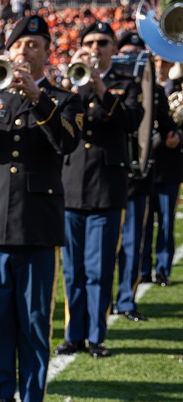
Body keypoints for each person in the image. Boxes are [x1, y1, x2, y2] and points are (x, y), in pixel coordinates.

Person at [0, 15, 82, 402]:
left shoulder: (62, 99)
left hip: (37, 224)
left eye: (34, 45)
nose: (25, 52)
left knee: (33, 318)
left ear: (47, 53)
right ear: (8, 52)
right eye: (19, 45)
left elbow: (66, 142)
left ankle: (30, 398)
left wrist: (37, 98)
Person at [55, 21, 144, 359]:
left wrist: (99, 86)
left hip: (107, 187)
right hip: (71, 184)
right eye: (90, 42)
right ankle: (73, 333)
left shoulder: (127, 84)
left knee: (99, 267)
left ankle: (96, 335)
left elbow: (130, 122)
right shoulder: (69, 85)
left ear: (112, 49)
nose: (96, 47)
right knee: (73, 269)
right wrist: (69, 85)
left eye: (103, 42)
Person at [114, 32, 178, 321]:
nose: (130, 61)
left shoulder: (154, 90)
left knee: (132, 242)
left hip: (140, 178)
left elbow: (165, 124)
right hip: (106, 178)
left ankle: (127, 299)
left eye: (135, 55)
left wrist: (171, 135)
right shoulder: (105, 87)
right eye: (125, 54)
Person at [144, 56, 183, 288]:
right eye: (157, 62)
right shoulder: (141, 88)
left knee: (166, 224)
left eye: (165, 62)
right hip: (146, 166)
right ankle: (143, 269)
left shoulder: (177, 89)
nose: (161, 67)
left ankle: (162, 270)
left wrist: (178, 137)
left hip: (169, 167)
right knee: (144, 224)